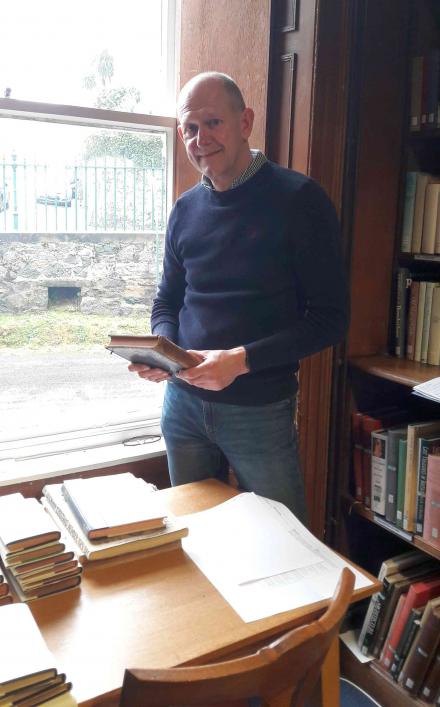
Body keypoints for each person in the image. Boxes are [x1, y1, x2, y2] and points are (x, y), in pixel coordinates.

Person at [128, 72, 349, 523]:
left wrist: (240, 361)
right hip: (182, 406)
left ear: (245, 122)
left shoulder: (300, 199)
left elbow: (330, 319)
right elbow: (167, 301)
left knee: (284, 546)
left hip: (260, 411)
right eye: (190, 128)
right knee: (197, 539)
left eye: (213, 123)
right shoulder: (185, 209)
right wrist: (164, 352)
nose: (200, 138)